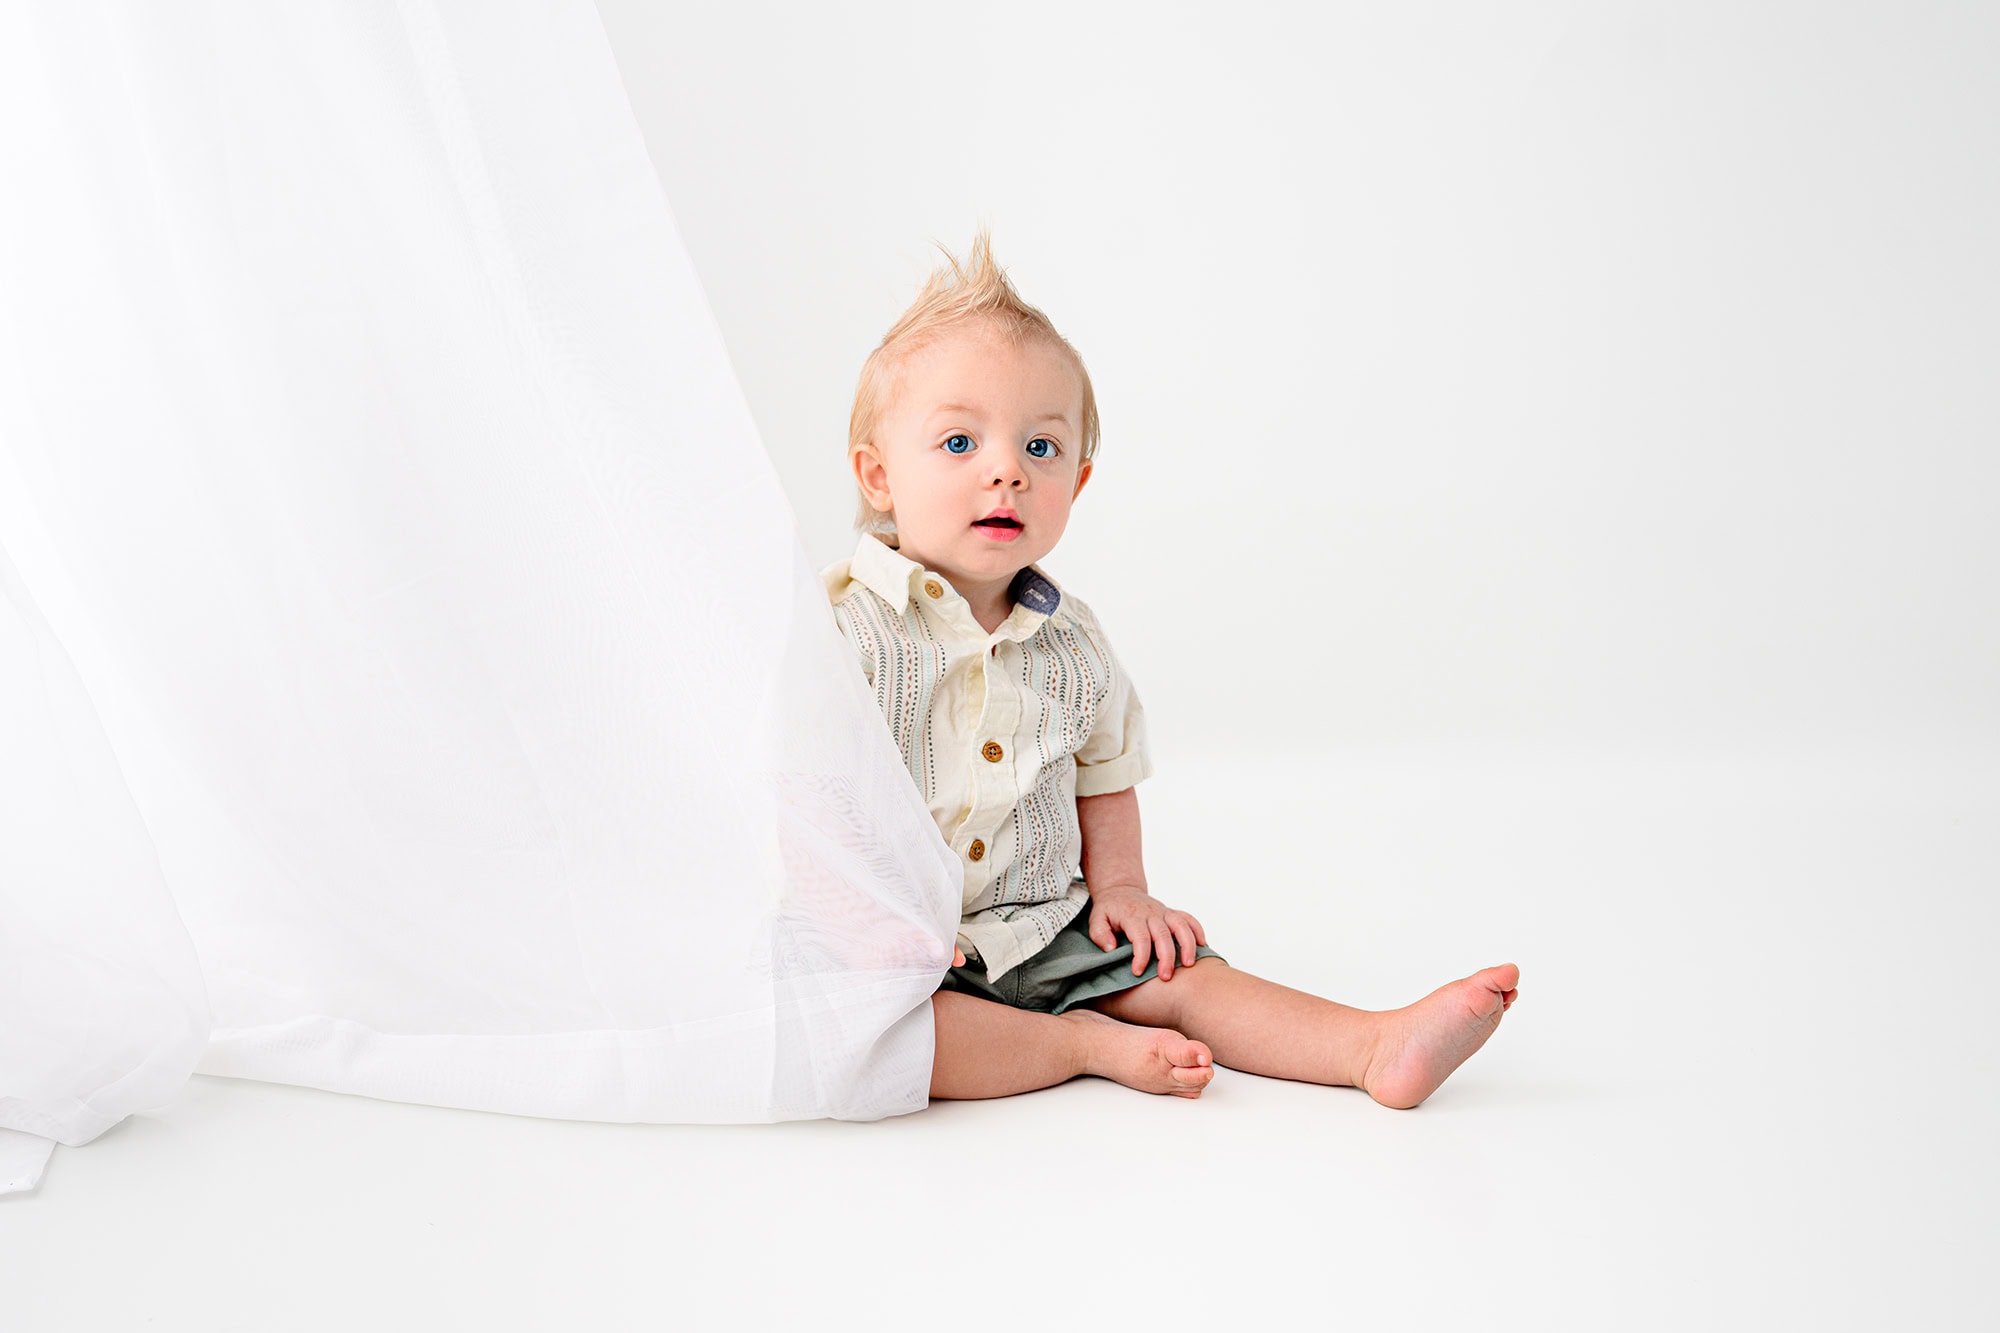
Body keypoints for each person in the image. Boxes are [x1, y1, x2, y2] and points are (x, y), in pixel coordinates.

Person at [821, 229, 1519, 1105]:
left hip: (1043, 925)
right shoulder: (843, 633)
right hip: (901, 944)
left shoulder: (1074, 642)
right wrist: (860, 917)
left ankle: (1370, 1045)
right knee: (875, 1037)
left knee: (1176, 971)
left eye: (1039, 448)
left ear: (1075, 484)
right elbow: (804, 790)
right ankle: (1078, 1044)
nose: (1006, 470)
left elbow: (1103, 778)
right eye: (960, 444)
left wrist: (1122, 890)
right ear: (878, 476)